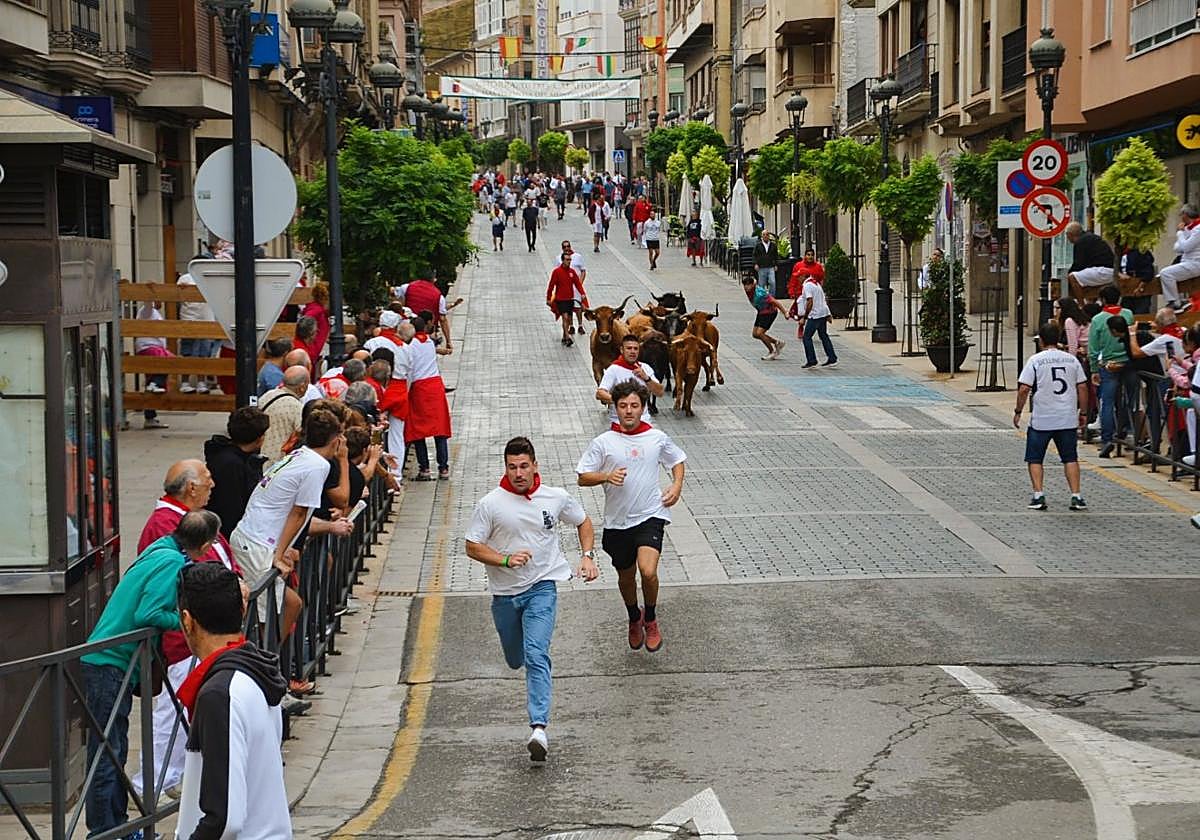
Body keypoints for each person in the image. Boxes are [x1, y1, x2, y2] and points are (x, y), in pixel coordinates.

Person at [81, 511, 221, 838]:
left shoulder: (160, 549)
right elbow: (150, 613)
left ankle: (117, 828)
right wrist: (186, 622)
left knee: (112, 747)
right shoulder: (172, 562)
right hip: (110, 663)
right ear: (203, 545)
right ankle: (105, 831)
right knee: (108, 752)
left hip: (110, 662)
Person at [465, 436, 598, 762]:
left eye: (524, 466)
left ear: (535, 465)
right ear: (506, 468)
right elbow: (472, 546)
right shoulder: (490, 504)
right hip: (505, 595)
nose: (519, 473)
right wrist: (505, 560)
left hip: (542, 587)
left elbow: (583, 522)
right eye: (512, 467)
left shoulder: (555, 497)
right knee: (515, 658)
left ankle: (539, 727)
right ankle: (520, 659)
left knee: (536, 653)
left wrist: (588, 556)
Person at [132, 465, 242, 803]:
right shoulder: (168, 522)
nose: (213, 485)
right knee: (170, 709)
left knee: (182, 708)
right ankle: (147, 785)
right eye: (207, 483)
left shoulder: (190, 514)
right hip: (183, 636)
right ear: (191, 488)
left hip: (196, 628)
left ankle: (170, 776)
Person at [174, 562, 292, 840]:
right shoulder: (256, 670)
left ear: (188, 621)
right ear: (242, 609)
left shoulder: (219, 694)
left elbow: (225, 818)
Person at [577, 381, 685, 653]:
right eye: (623, 406)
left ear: (643, 407)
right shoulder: (603, 443)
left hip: (650, 514)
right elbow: (582, 477)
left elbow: (677, 461)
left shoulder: (656, 438)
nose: (628, 411)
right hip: (617, 522)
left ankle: (650, 617)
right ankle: (633, 617)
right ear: (615, 408)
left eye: (634, 406)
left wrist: (676, 486)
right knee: (626, 578)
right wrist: (605, 476)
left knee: (648, 571)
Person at [229, 409, 341, 624]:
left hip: (255, 536)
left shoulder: (300, 454)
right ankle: (264, 655)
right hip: (258, 541)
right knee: (268, 613)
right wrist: (278, 555)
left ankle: (270, 654)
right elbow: (298, 513)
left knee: (288, 605)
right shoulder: (318, 465)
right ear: (335, 440)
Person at [1015, 323, 1089, 511]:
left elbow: (1024, 388)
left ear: (1041, 340)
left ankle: (1039, 495)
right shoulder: (1072, 360)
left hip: (1042, 419)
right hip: (1066, 418)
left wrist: (1018, 411)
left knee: (1035, 458)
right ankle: (1076, 495)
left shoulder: (1035, 360)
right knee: (1070, 457)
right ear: (1058, 339)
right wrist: (1084, 412)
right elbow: (1082, 386)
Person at [205, 407, 270, 539]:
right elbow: (232, 509)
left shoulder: (226, 455)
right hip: (229, 536)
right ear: (260, 438)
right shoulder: (233, 465)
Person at [1087, 286, 1135, 458]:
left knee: (1107, 402)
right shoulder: (1128, 314)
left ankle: (1107, 440)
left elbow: (1092, 347)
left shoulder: (1098, 319)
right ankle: (1129, 432)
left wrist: (1093, 368)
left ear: (1103, 300)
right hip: (1129, 363)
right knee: (1131, 400)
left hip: (1107, 364)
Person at [405, 316, 453, 481]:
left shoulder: (410, 346)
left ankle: (424, 468)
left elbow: (410, 370)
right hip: (435, 386)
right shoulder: (429, 342)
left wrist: (407, 390)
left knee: (418, 430)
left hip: (420, 389)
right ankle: (444, 468)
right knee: (439, 429)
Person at [596, 335, 665, 423]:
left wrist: (647, 379)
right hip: (619, 422)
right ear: (622, 350)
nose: (632, 351)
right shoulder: (614, 369)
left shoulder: (645, 368)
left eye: (635, 349)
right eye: (629, 348)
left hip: (643, 420)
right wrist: (620, 401)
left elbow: (660, 392)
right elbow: (600, 393)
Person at [177, 268, 219, 395]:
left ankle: (200, 382)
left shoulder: (210, 277)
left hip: (205, 318)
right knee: (188, 352)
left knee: (203, 353)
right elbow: (177, 295)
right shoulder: (186, 278)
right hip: (190, 319)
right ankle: (186, 382)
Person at [259, 366, 310, 463]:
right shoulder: (297, 407)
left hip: (258, 458)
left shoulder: (267, 396)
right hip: (277, 462)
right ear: (302, 387)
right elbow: (303, 435)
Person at [135, 301, 172, 429]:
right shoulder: (146, 311)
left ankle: (150, 417)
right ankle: (155, 383)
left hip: (153, 347)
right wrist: (150, 296)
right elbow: (147, 304)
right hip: (149, 347)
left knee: (167, 364)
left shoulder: (154, 313)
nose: (159, 302)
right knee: (166, 363)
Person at [1156, 204, 1200, 311]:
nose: (1180, 217)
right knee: (1167, 274)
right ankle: (1178, 300)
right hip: (1188, 262)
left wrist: (1180, 233)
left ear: (1186, 215)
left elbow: (1185, 247)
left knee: (1166, 273)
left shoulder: (1198, 229)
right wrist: (1183, 236)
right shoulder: (1189, 228)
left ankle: (1175, 302)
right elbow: (1177, 248)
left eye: (1181, 214)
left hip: (1195, 262)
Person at [798, 262, 838, 369]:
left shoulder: (807, 286)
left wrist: (804, 317)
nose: (798, 279)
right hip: (822, 314)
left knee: (807, 337)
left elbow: (810, 301)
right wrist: (828, 314)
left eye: (799, 277)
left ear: (804, 276)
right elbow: (823, 299)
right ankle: (832, 357)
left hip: (815, 315)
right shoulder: (816, 284)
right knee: (823, 335)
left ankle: (812, 360)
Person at [397, 277, 454, 353]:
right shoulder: (439, 296)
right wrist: (448, 341)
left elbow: (398, 301)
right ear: (434, 280)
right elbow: (443, 319)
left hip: (407, 328)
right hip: (426, 332)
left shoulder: (406, 287)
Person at [742, 275, 790, 361]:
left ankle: (772, 351)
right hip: (761, 312)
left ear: (752, 285)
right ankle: (777, 342)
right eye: (745, 285)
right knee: (755, 334)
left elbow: (775, 302)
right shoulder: (750, 290)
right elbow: (754, 280)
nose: (746, 287)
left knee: (760, 333)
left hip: (769, 313)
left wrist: (785, 312)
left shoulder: (760, 294)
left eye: (748, 285)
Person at [546, 251, 586, 347]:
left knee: (567, 319)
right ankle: (568, 338)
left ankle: (564, 336)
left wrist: (582, 294)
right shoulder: (556, 272)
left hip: (570, 299)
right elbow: (551, 286)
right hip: (561, 299)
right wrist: (548, 298)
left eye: (570, 260)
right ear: (562, 260)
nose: (569, 262)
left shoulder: (572, 272)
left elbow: (577, 284)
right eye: (567, 260)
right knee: (565, 317)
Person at [1066, 222, 1117, 294]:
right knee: (1083, 276)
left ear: (1070, 234)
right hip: (1110, 271)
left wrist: (1067, 276)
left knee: (1073, 277)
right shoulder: (1092, 237)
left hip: (1102, 271)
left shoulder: (1081, 242)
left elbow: (1078, 264)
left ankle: (1081, 304)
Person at [299, 281, 332, 366]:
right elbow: (304, 323)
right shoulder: (317, 310)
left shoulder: (318, 309)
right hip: (312, 351)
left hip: (313, 351)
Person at [561, 239, 588, 335]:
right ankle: (571, 326)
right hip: (566, 288)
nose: (567, 248)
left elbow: (583, 271)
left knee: (578, 307)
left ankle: (580, 325)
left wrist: (580, 283)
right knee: (569, 308)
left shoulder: (578, 257)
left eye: (568, 246)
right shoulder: (560, 258)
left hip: (576, 287)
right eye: (564, 247)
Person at [753, 230, 779, 294]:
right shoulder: (758, 245)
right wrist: (755, 264)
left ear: (769, 236)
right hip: (761, 267)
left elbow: (776, 256)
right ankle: (761, 297)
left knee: (772, 282)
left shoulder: (773, 245)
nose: (765, 236)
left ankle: (771, 297)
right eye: (764, 235)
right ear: (762, 236)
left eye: (767, 234)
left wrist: (776, 264)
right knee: (761, 284)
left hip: (771, 267)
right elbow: (754, 255)